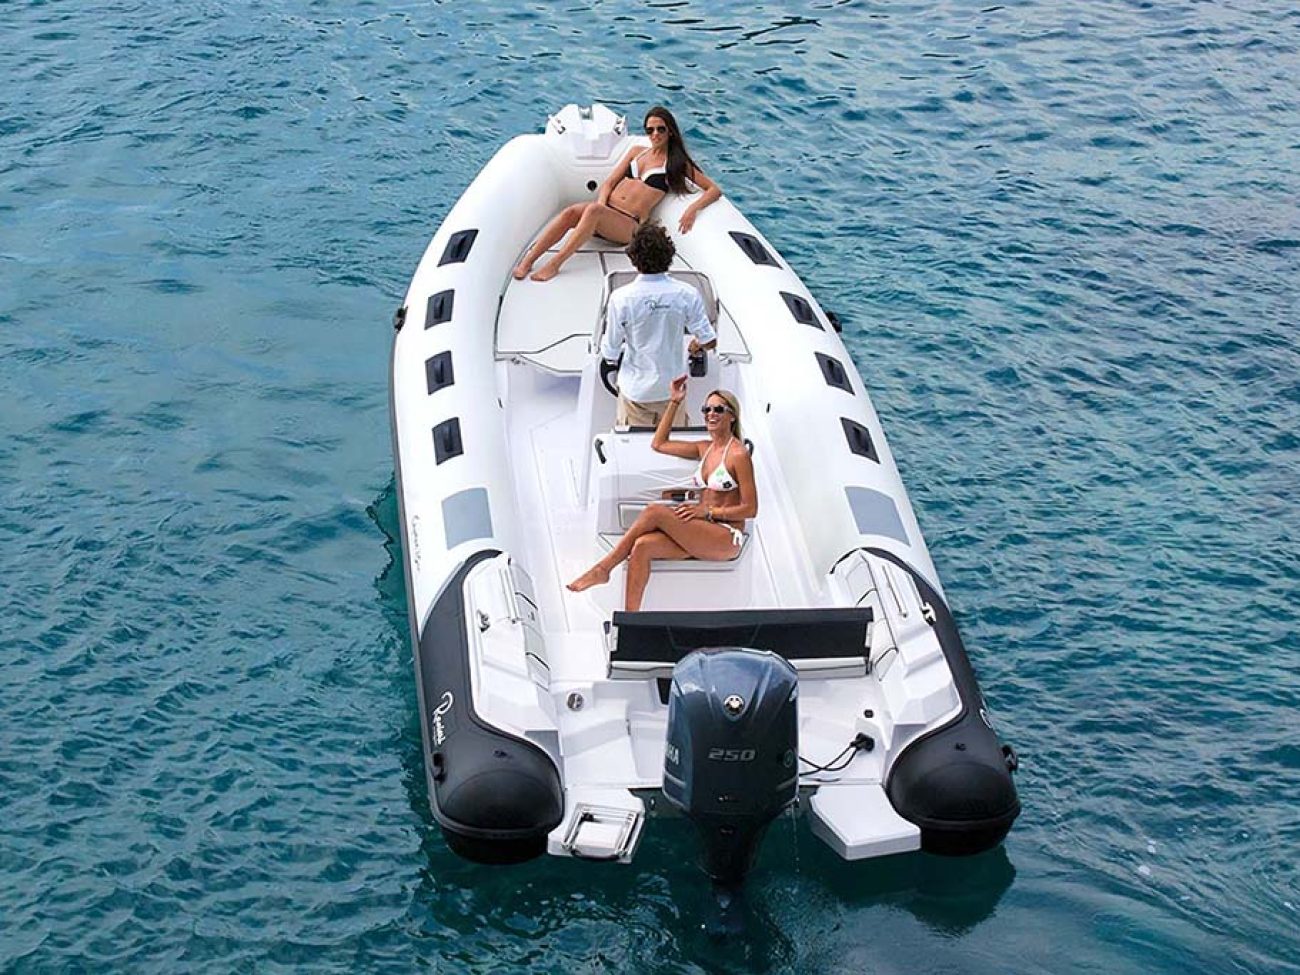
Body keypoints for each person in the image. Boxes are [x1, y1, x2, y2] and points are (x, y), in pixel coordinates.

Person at [568, 381, 756, 612]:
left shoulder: (738, 455)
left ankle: (604, 568)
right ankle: (632, 621)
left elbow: (750, 508)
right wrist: (674, 402)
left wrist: (708, 512)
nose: (711, 414)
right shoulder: (705, 448)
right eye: (706, 409)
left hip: (726, 536)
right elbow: (659, 443)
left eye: (718, 409)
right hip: (703, 530)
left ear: (732, 416)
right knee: (642, 546)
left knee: (655, 511)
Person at [512, 106, 722, 282]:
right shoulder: (637, 152)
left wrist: (692, 209)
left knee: (592, 211)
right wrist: (602, 205)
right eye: (650, 130)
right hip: (605, 214)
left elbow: (714, 189)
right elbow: (609, 183)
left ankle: (554, 264)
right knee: (570, 212)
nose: (655, 134)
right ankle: (528, 261)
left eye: (661, 129)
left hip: (628, 225)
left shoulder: (676, 163)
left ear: (670, 132)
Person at [601, 222, 717, 427]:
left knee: (635, 442)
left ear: (633, 258)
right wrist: (696, 344)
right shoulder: (686, 293)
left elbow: (610, 351)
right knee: (673, 442)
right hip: (673, 390)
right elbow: (709, 341)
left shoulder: (621, 298)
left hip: (636, 392)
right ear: (669, 256)